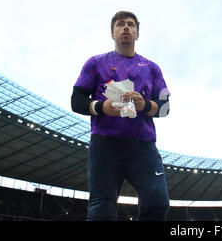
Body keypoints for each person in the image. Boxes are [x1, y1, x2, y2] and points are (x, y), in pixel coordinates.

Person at [71, 11, 171, 221]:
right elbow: (76, 99)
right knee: (102, 209)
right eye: (120, 24)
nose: (125, 27)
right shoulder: (95, 63)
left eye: (130, 25)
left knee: (158, 202)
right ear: (112, 33)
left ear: (137, 34)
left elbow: (165, 108)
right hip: (105, 144)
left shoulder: (152, 68)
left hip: (142, 146)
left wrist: (144, 105)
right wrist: (101, 107)